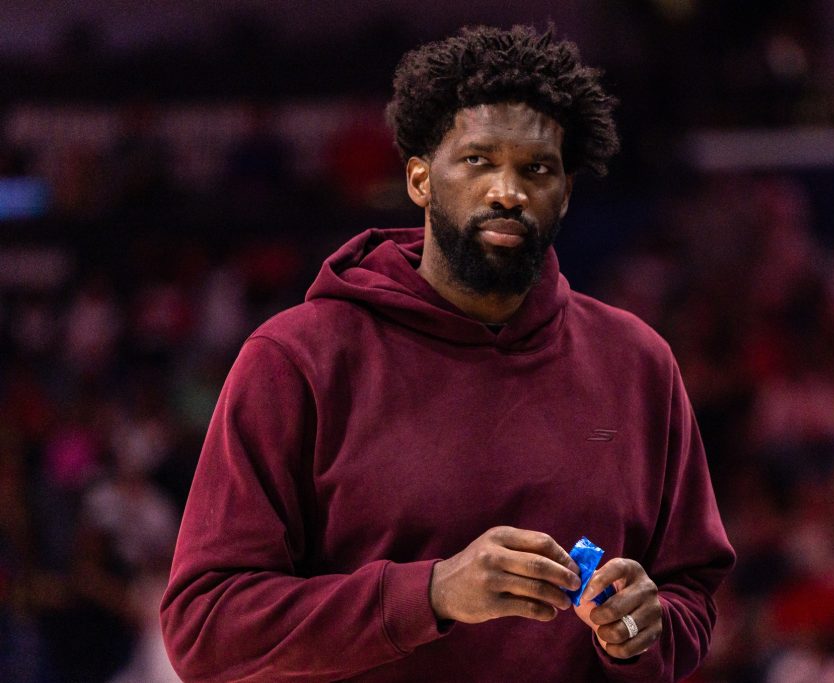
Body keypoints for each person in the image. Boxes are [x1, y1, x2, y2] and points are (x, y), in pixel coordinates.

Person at [160, 24, 734, 682]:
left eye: (537, 169)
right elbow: (205, 627)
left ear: (566, 192)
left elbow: (689, 597)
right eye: (479, 160)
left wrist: (640, 627)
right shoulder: (297, 359)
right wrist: (431, 593)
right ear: (420, 179)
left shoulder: (639, 363)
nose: (507, 191)